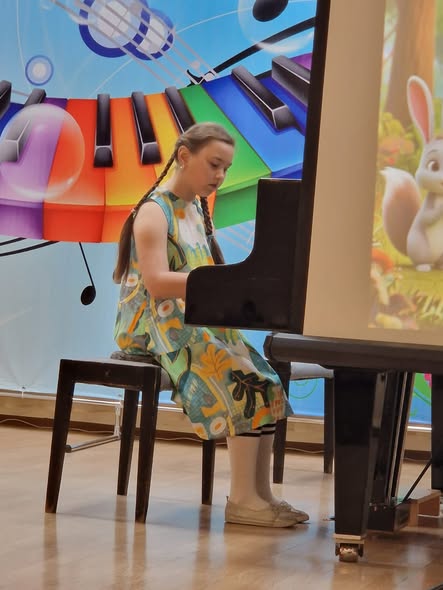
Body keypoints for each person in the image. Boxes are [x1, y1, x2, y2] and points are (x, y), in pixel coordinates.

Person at [113, 122, 309, 528]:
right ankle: (242, 500)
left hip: (191, 321)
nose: (220, 175)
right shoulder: (154, 212)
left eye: (226, 168)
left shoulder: (196, 211)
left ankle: (260, 495)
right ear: (185, 157)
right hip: (155, 327)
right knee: (241, 379)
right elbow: (156, 283)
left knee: (267, 380)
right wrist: (222, 283)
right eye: (214, 164)